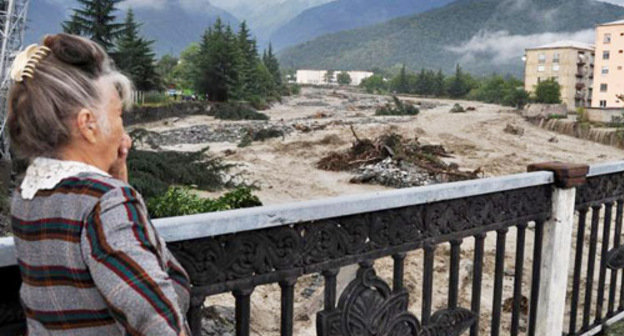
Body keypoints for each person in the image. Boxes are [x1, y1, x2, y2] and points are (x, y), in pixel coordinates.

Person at [7, 33, 190, 335]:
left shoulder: (27, 194)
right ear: (88, 124)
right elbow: (159, 319)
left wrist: (118, 177)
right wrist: (119, 193)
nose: (122, 128)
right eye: (118, 114)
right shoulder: (106, 202)